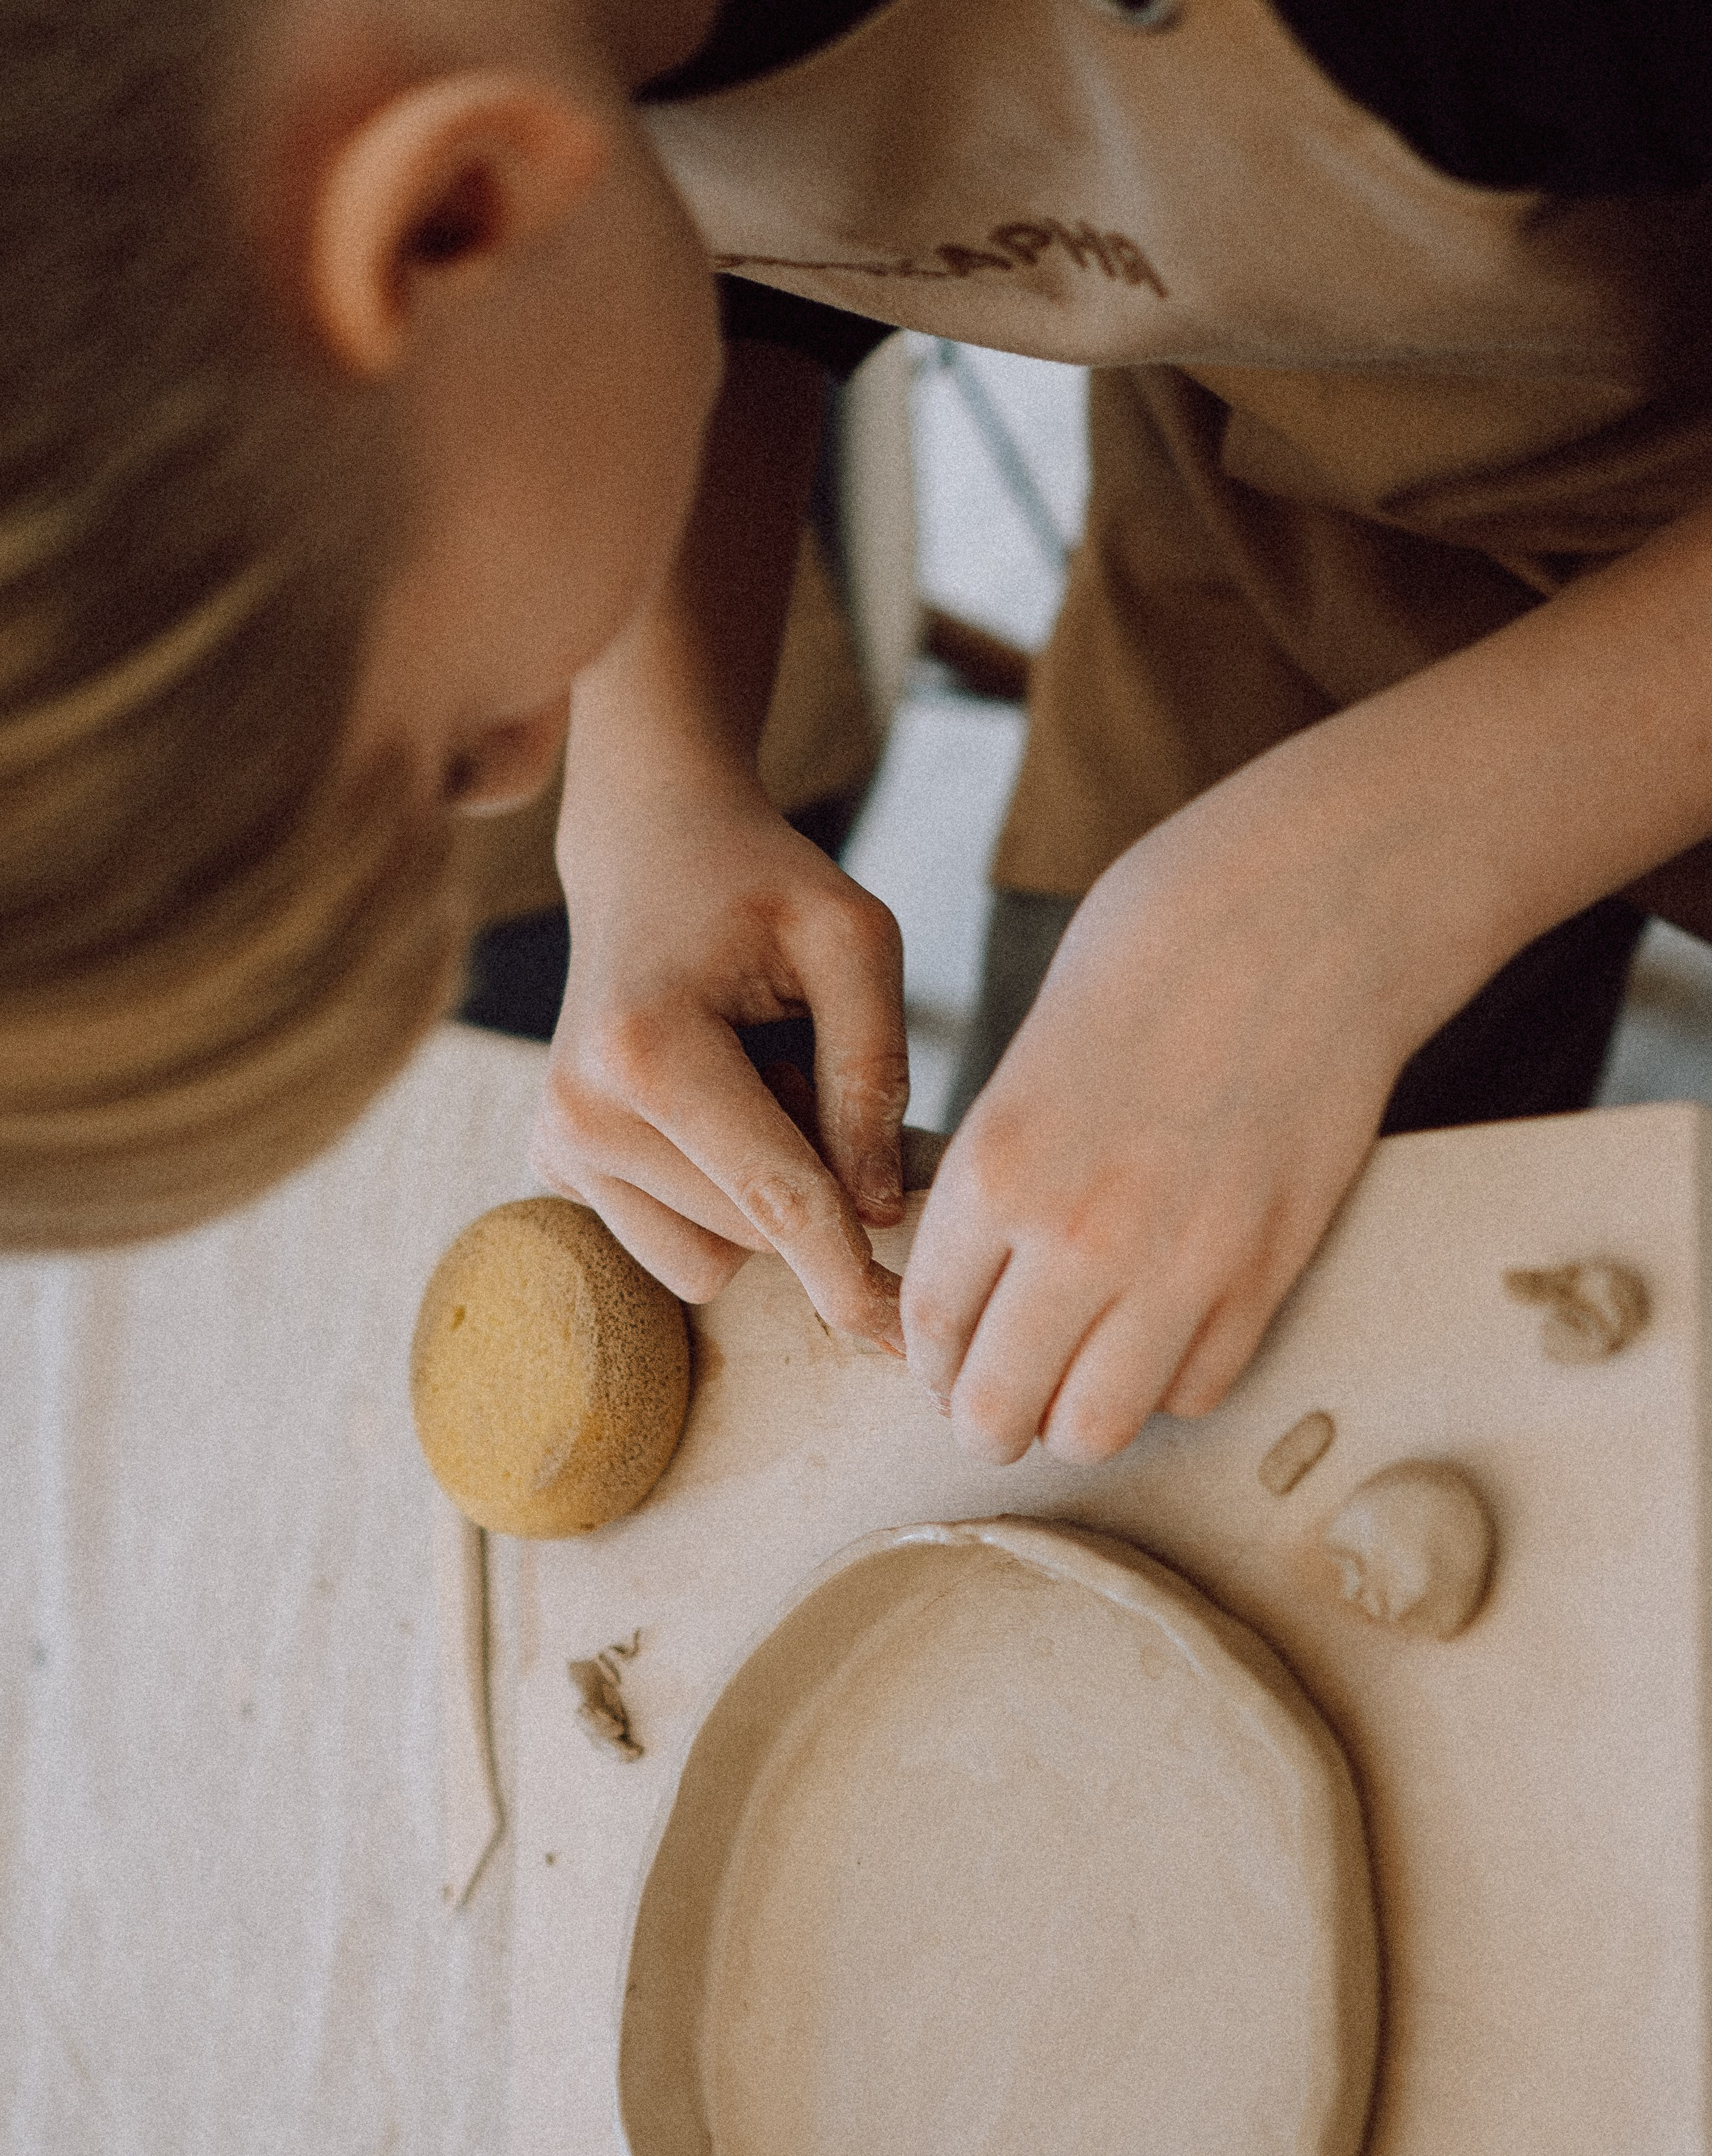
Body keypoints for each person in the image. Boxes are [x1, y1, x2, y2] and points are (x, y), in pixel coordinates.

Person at [7, 0, 1712, 1471]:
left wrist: (1378, 873)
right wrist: (658, 770)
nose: (525, 767)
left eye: (464, 746)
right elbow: (725, 227)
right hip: (1278, 464)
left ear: (452, 209)